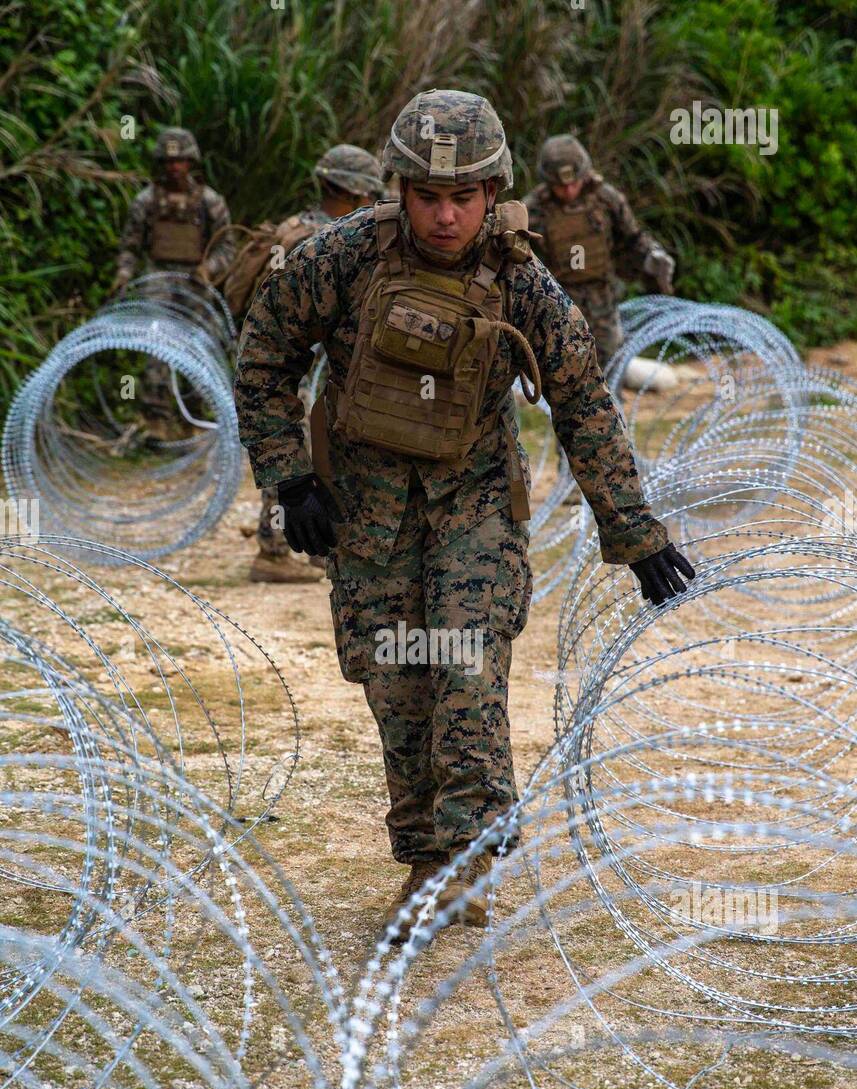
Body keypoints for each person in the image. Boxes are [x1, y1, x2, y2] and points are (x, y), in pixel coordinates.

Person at [234, 90, 693, 940]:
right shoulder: (341, 259)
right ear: (398, 189)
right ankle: (423, 857)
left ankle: (466, 860)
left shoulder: (521, 278)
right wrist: (290, 480)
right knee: (396, 687)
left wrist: (634, 533)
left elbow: (583, 404)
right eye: (428, 197)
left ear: (493, 193)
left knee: (468, 677)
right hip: (364, 511)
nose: (446, 217)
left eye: (465, 197)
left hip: (474, 506)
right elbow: (263, 353)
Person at [241, 145, 385, 583]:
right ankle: (274, 549)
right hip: (302, 367)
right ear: (354, 190)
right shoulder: (328, 238)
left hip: (286, 359)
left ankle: (303, 542)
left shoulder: (293, 226)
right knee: (296, 450)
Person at [112, 127, 235, 438]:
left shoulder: (209, 201)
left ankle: (194, 418)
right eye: (168, 162)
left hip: (195, 282)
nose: (174, 167)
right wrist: (124, 274)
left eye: (180, 161)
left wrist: (209, 269)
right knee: (156, 346)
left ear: (191, 162)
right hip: (157, 279)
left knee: (201, 347)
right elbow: (130, 245)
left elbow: (227, 246)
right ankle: (156, 420)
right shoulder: (146, 201)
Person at [524, 134, 674, 368]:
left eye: (574, 183)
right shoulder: (532, 210)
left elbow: (632, 238)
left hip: (601, 303)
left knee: (610, 373)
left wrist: (651, 256)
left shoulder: (606, 199)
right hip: (556, 304)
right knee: (563, 373)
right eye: (561, 186)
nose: (569, 190)